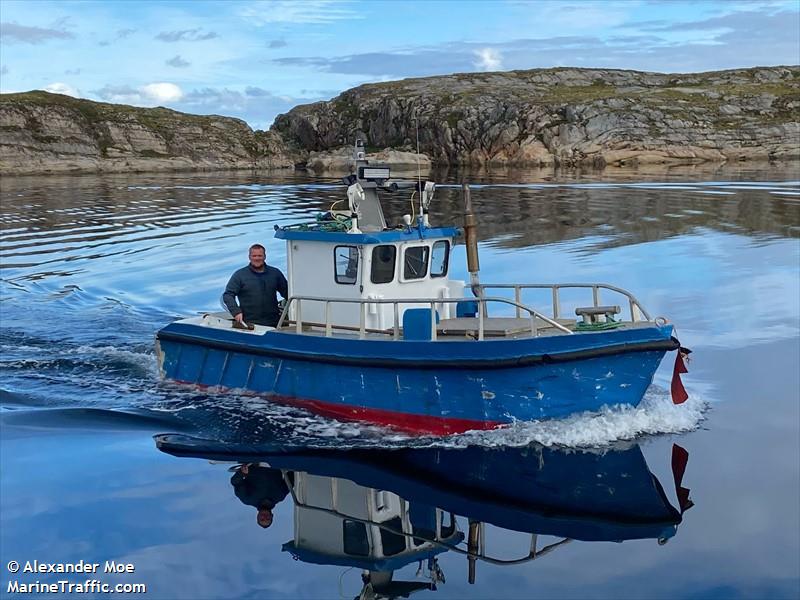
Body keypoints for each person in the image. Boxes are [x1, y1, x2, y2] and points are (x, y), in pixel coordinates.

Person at [223, 244, 288, 328]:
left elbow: (287, 292)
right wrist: (236, 312)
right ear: (249, 257)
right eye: (254, 256)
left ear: (265, 256)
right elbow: (228, 295)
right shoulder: (239, 275)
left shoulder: (275, 273)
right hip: (249, 323)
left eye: (260, 255)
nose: (257, 258)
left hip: (274, 322)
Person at [230, 463, 293, 529]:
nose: (265, 517)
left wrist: (241, 473)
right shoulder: (280, 496)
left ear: (257, 516)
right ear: (272, 516)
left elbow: (235, 482)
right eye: (268, 519)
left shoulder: (247, 499)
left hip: (253, 460)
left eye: (262, 519)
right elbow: (291, 477)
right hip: (275, 458)